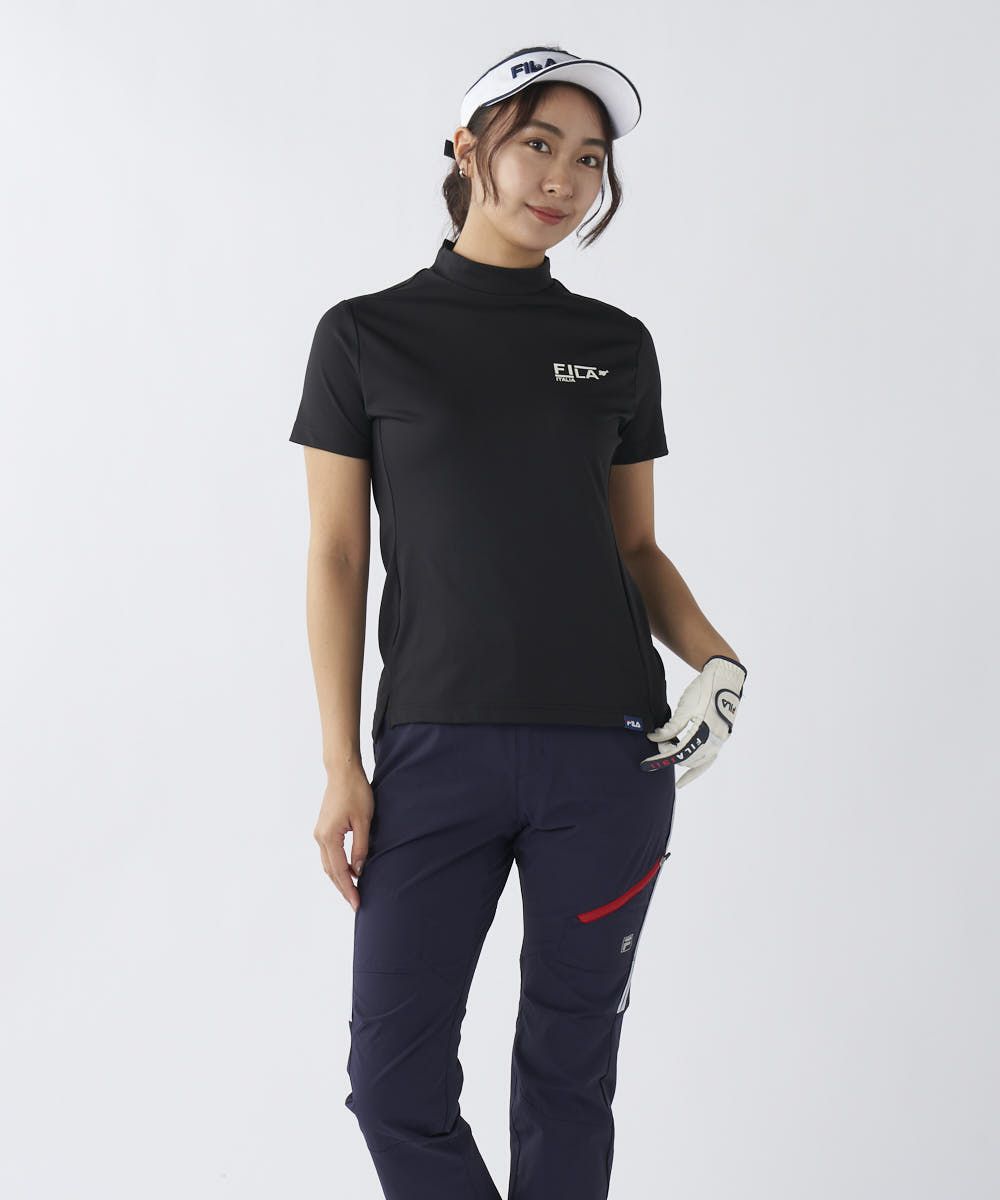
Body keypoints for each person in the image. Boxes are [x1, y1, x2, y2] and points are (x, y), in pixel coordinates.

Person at [289, 43, 748, 1200]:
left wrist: (717, 662)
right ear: (466, 149)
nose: (563, 179)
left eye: (589, 159)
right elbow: (338, 556)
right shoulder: (363, 336)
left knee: (568, 1075)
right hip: (432, 755)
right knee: (391, 1083)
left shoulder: (614, 347)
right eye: (537, 143)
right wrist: (342, 765)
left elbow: (635, 549)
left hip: (608, 759)